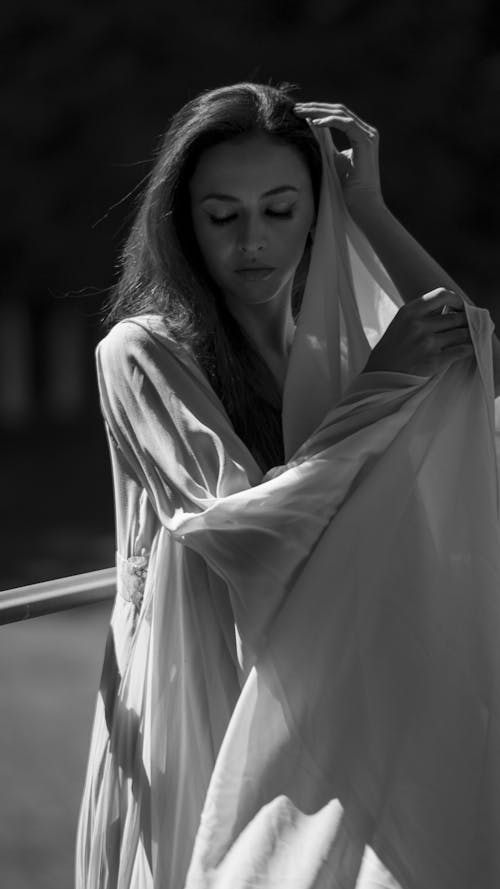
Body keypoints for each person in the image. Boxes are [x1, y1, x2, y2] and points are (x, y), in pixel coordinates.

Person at [75, 82, 500, 889]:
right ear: (182, 222)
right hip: (202, 687)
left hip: (342, 687)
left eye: (280, 208)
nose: (252, 243)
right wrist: (383, 388)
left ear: (317, 211)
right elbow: (239, 527)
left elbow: (474, 368)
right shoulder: (140, 352)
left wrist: (369, 205)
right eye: (221, 215)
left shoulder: (343, 348)